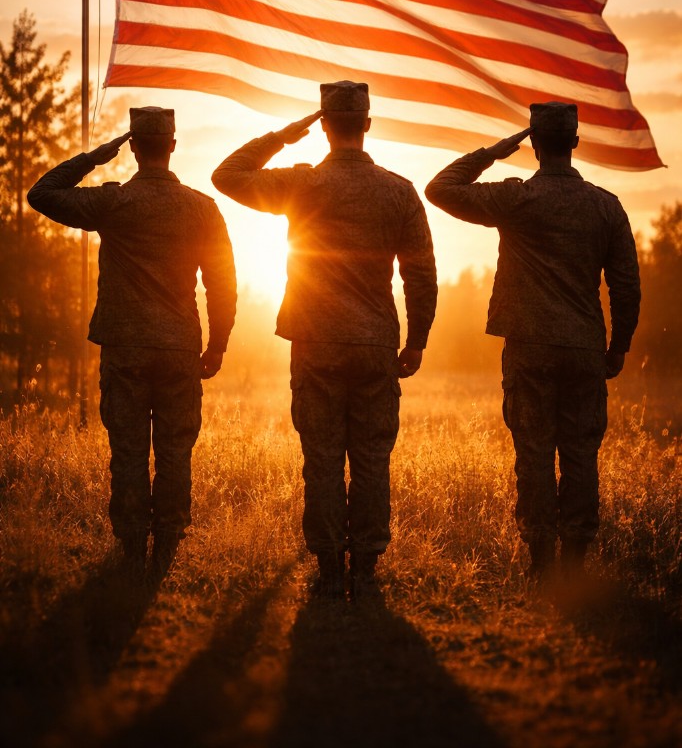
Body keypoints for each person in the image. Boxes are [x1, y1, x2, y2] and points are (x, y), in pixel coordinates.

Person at [211, 81, 438, 599]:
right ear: (367, 124)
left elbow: (226, 176)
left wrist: (283, 137)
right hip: (376, 342)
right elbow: (420, 275)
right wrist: (417, 339)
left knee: (322, 456)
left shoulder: (302, 184)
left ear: (325, 126)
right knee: (372, 458)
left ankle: (331, 566)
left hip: (314, 343)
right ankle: (366, 567)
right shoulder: (398, 190)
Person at [425, 102, 640, 579]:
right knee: (581, 453)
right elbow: (626, 285)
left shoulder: (517, 199)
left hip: (529, 347)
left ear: (535, 145)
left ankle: (541, 565)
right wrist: (618, 346)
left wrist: (495, 152)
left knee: (535, 453)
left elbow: (439, 188)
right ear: (575, 143)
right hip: (585, 347)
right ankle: (575, 564)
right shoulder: (606, 205)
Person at [27, 107, 237, 577]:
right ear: (173, 146)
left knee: (128, 448)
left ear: (135, 148)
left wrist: (95, 158)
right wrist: (218, 343)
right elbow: (223, 283)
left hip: (125, 348)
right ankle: (166, 546)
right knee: (175, 450)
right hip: (180, 348)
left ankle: (130, 548)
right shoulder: (202, 208)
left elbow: (42, 194)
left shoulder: (114, 203)